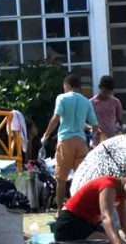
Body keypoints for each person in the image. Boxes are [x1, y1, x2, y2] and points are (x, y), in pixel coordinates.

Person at [41, 74, 100, 208]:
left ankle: (60, 211)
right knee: (81, 177)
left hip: (65, 140)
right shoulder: (86, 101)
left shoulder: (62, 98)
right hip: (81, 142)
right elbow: (95, 125)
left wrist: (46, 135)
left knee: (61, 179)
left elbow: (56, 118)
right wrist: (93, 135)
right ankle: (81, 208)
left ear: (67, 86)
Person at [89, 75, 123, 148]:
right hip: (96, 143)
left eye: (109, 93)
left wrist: (119, 129)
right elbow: (83, 121)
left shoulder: (116, 102)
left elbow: (120, 121)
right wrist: (91, 128)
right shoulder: (91, 103)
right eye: (104, 92)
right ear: (99, 87)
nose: (107, 95)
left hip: (112, 142)